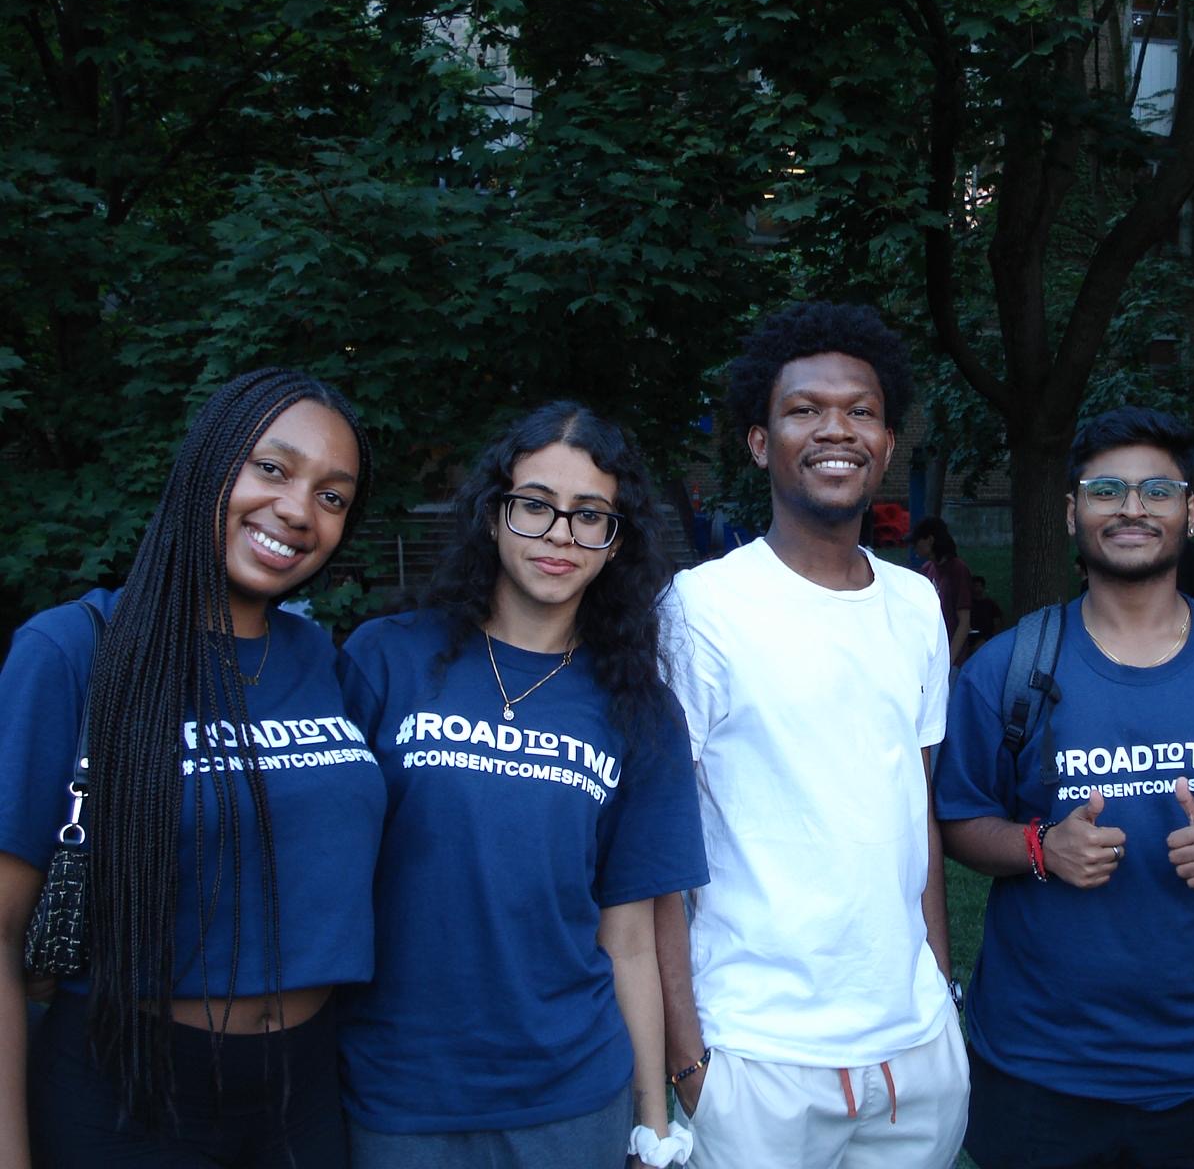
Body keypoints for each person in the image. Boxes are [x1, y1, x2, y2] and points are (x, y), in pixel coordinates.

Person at [0, 368, 382, 1165]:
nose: (297, 510)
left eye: (333, 496)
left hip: (302, 1092)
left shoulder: (320, 658)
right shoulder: (74, 650)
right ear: (208, 463)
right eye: (271, 468)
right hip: (130, 1091)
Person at [937, 405, 1194, 1169]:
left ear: (1189, 510)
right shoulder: (1010, 668)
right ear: (1071, 512)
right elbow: (958, 822)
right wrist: (1040, 846)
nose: (1131, 508)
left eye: (1156, 491)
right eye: (1106, 489)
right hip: (1039, 1062)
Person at [336, 403, 706, 1167]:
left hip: (569, 1098)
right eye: (536, 506)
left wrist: (652, 1123)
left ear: (616, 542)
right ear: (493, 514)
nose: (560, 535)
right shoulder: (386, 660)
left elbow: (631, 939)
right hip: (399, 1089)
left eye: (590, 516)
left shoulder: (639, 708)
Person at [656, 301, 969, 1169]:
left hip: (916, 1054)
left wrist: (940, 992)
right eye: (804, 410)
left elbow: (917, 814)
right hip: (758, 1057)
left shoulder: (914, 606)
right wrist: (689, 1063)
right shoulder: (701, 610)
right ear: (760, 442)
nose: (837, 429)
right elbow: (656, 850)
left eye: (861, 411)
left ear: (888, 441)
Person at [912, 515, 973, 665]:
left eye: (917, 541)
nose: (914, 547)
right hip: (930, 655)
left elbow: (964, 623)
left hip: (952, 660)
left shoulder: (957, 570)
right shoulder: (927, 569)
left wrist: (948, 661)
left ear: (930, 540)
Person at [968, 576, 1004, 653]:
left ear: (983, 587)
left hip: (987, 638)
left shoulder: (990, 604)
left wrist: (989, 638)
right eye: (975, 586)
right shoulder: (968, 604)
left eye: (979, 586)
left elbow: (997, 624)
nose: (977, 589)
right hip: (969, 638)